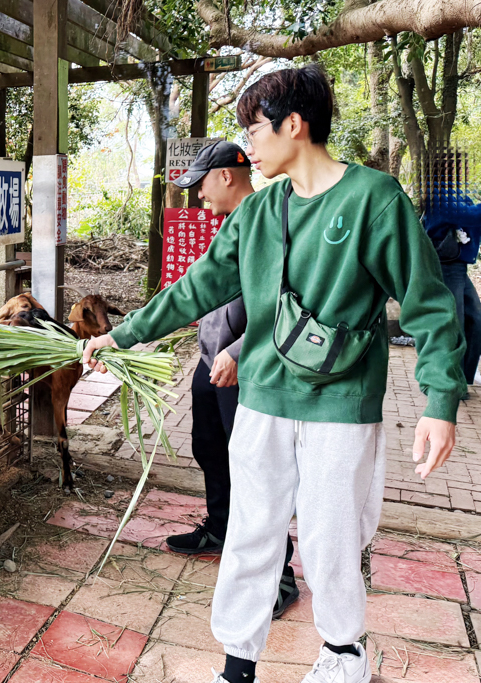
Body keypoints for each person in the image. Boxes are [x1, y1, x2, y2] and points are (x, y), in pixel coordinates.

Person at [83, 64, 465, 683]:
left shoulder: (373, 198)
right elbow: (197, 287)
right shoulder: (257, 214)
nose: (249, 145)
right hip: (263, 398)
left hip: (341, 401)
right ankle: (238, 662)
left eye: (255, 129)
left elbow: (426, 303)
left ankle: (342, 654)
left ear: (295, 125)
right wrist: (120, 334)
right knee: (250, 530)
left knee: (331, 537)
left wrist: (440, 401)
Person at [165, 141, 299, 620]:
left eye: (200, 183)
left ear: (225, 175)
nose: (197, 195)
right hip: (210, 364)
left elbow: (290, 300)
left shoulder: (274, 223)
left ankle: (279, 573)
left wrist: (239, 351)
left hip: (248, 368)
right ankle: (221, 528)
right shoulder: (230, 226)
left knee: (255, 470)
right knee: (209, 447)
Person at [420, 155, 481, 388]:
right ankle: (446, 382)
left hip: (458, 267)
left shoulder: (456, 195)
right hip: (444, 267)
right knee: (452, 326)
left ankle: (463, 378)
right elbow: (472, 216)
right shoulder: (439, 197)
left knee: (475, 319)